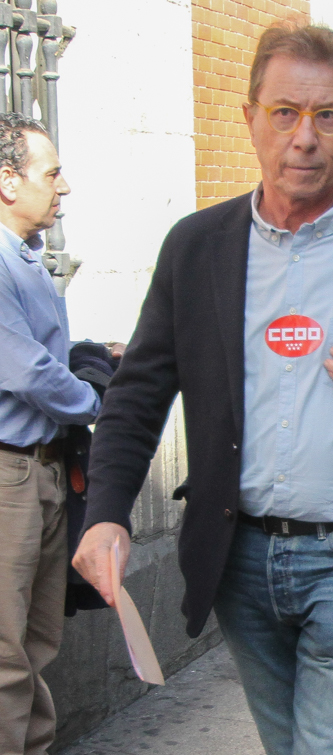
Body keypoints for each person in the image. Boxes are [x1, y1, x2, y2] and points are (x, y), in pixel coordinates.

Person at [72, 21, 333, 755]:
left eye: (327, 115)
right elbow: (138, 392)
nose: (305, 137)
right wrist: (106, 512)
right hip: (241, 559)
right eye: (285, 112)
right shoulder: (197, 246)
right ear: (250, 118)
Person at [0, 113, 102, 755]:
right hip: (8, 477)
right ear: (8, 181)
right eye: (52, 173)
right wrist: (95, 401)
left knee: (37, 643)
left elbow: (44, 355)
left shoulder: (26, 258)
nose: (63, 187)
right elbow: (25, 368)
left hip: (42, 468)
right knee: (6, 654)